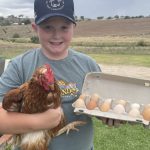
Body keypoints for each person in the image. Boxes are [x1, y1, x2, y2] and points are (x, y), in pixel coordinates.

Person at [0, 0, 118, 149]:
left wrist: (108, 114)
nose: (56, 35)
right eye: (48, 27)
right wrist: (41, 121)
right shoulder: (19, 66)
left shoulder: (89, 65)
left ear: (74, 27)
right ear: (35, 28)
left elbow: (100, 104)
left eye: (64, 27)